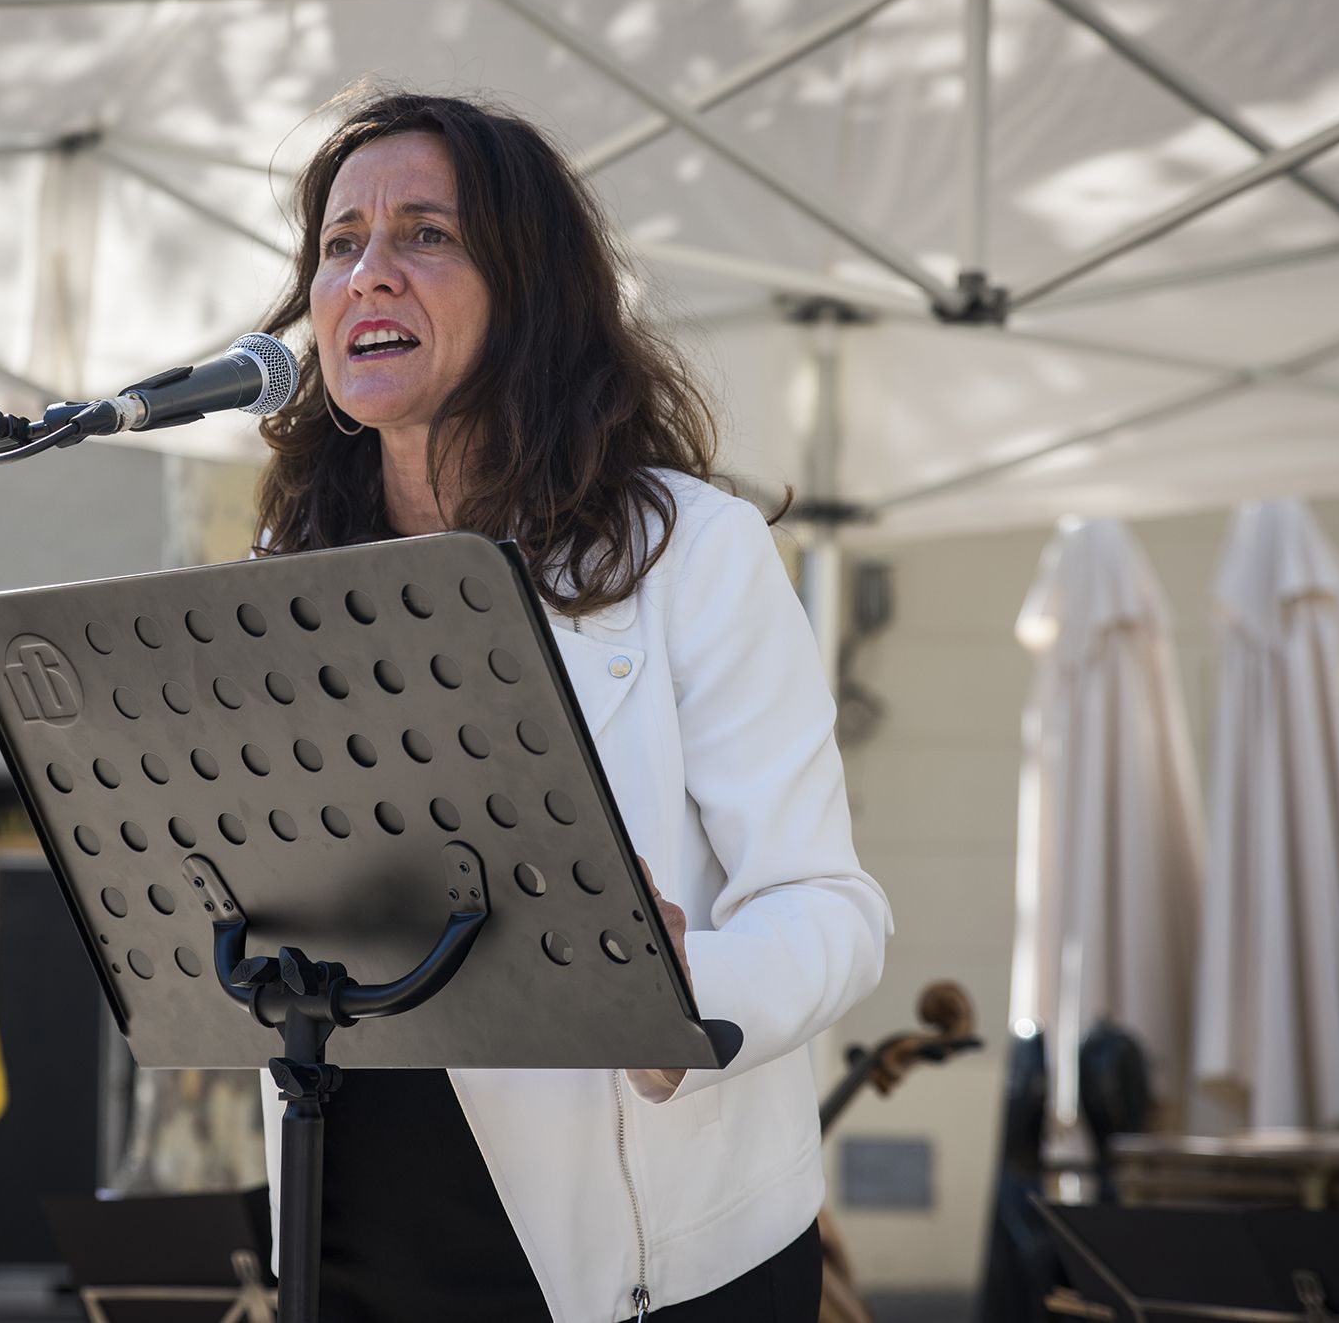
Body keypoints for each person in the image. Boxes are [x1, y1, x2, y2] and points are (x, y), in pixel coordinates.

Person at [251, 90, 893, 1323]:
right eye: (339, 245)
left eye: (424, 235)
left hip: (651, 1260)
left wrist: (680, 995)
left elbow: (828, 905)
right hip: (349, 1223)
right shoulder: (287, 565)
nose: (367, 274)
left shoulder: (689, 550)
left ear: (529, 287)